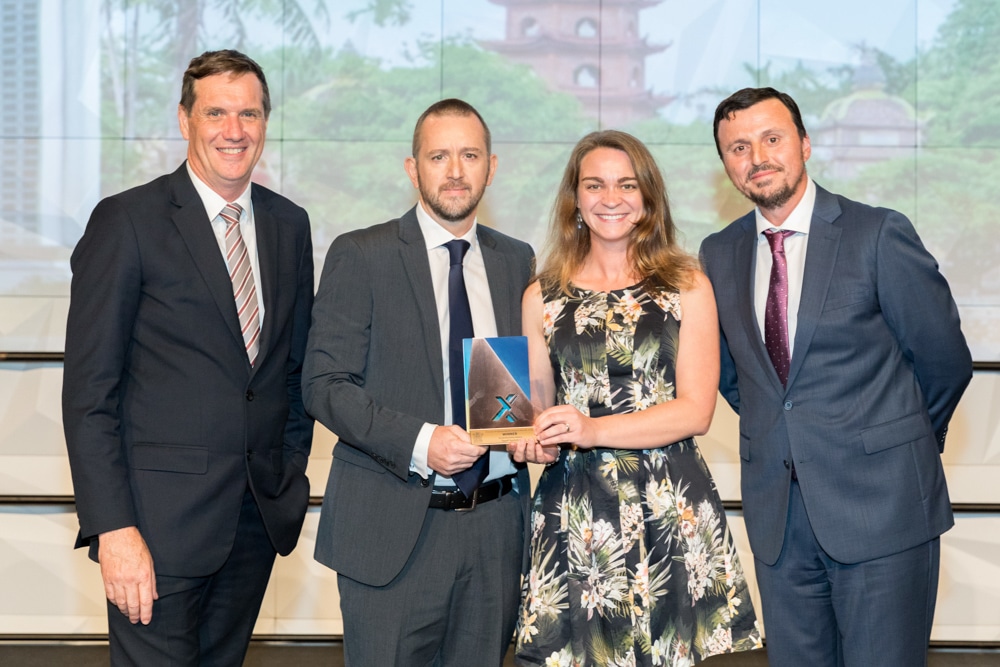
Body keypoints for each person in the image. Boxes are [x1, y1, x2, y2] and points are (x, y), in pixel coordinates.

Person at [699, 87, 973, 666]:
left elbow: (944, 358)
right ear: (725, 164)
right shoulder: (718, 253)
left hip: (884, 510)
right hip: (779, 521)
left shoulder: (876, 233)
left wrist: (902, 445)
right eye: (738, 147)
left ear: (804, 143)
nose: (758, 157)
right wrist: (786, 433)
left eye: (772, 139)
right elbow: (734, 375)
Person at [62, 50, 314, 665]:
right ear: (184, 120)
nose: (235, 130)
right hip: (155, 532)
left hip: (254, 524)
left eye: (249, 113)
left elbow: (291, 372)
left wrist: (286, 476)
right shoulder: (127, 221)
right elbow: (90, 395)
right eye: (216, 113)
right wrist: (114, 529)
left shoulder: (290, 225)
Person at [509, 130, 761, 666]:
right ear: (574, 198)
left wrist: (593, 429)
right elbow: (534, 415)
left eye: (627, 184)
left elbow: (696, 410)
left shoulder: (687, 284)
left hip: (667, 505)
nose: (611, 198)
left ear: (648, 197)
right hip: (575, 510)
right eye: (594, 184)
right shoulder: (541, 296)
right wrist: (530, 443)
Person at [302, 98, 535, 666]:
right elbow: (324, 383)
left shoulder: (516, 261)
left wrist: (528, 429)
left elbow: (508, 390)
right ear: (413, 168)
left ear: (492, 166)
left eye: (469, 155)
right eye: (439, 156)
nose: (455, 170)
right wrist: (422, 441)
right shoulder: (363, 254)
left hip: (494, 530)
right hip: (393, 532)